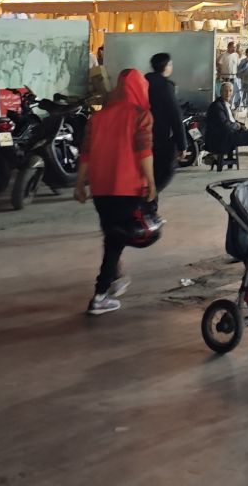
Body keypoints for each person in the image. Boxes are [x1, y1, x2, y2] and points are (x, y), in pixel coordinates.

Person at [74, 68, 158, 316]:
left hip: (101, 188)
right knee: (115, 240)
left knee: (112, 236)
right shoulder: (140, 115)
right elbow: (144, 151)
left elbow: (86, 152)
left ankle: (113, 281)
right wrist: (151, 182)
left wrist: (79, 183)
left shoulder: (97, 117)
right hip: (127, 187)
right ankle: (100, 295)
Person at [145, 53, 184, 194]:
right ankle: (149, 200)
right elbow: (175, 116)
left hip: (144, 135)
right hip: (162, 137)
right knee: (165, 172)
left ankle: (148, 199)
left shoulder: (144, 82)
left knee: (150, 173)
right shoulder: (166, 86)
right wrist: (182, 145)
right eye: (170, 64)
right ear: (165, 66)